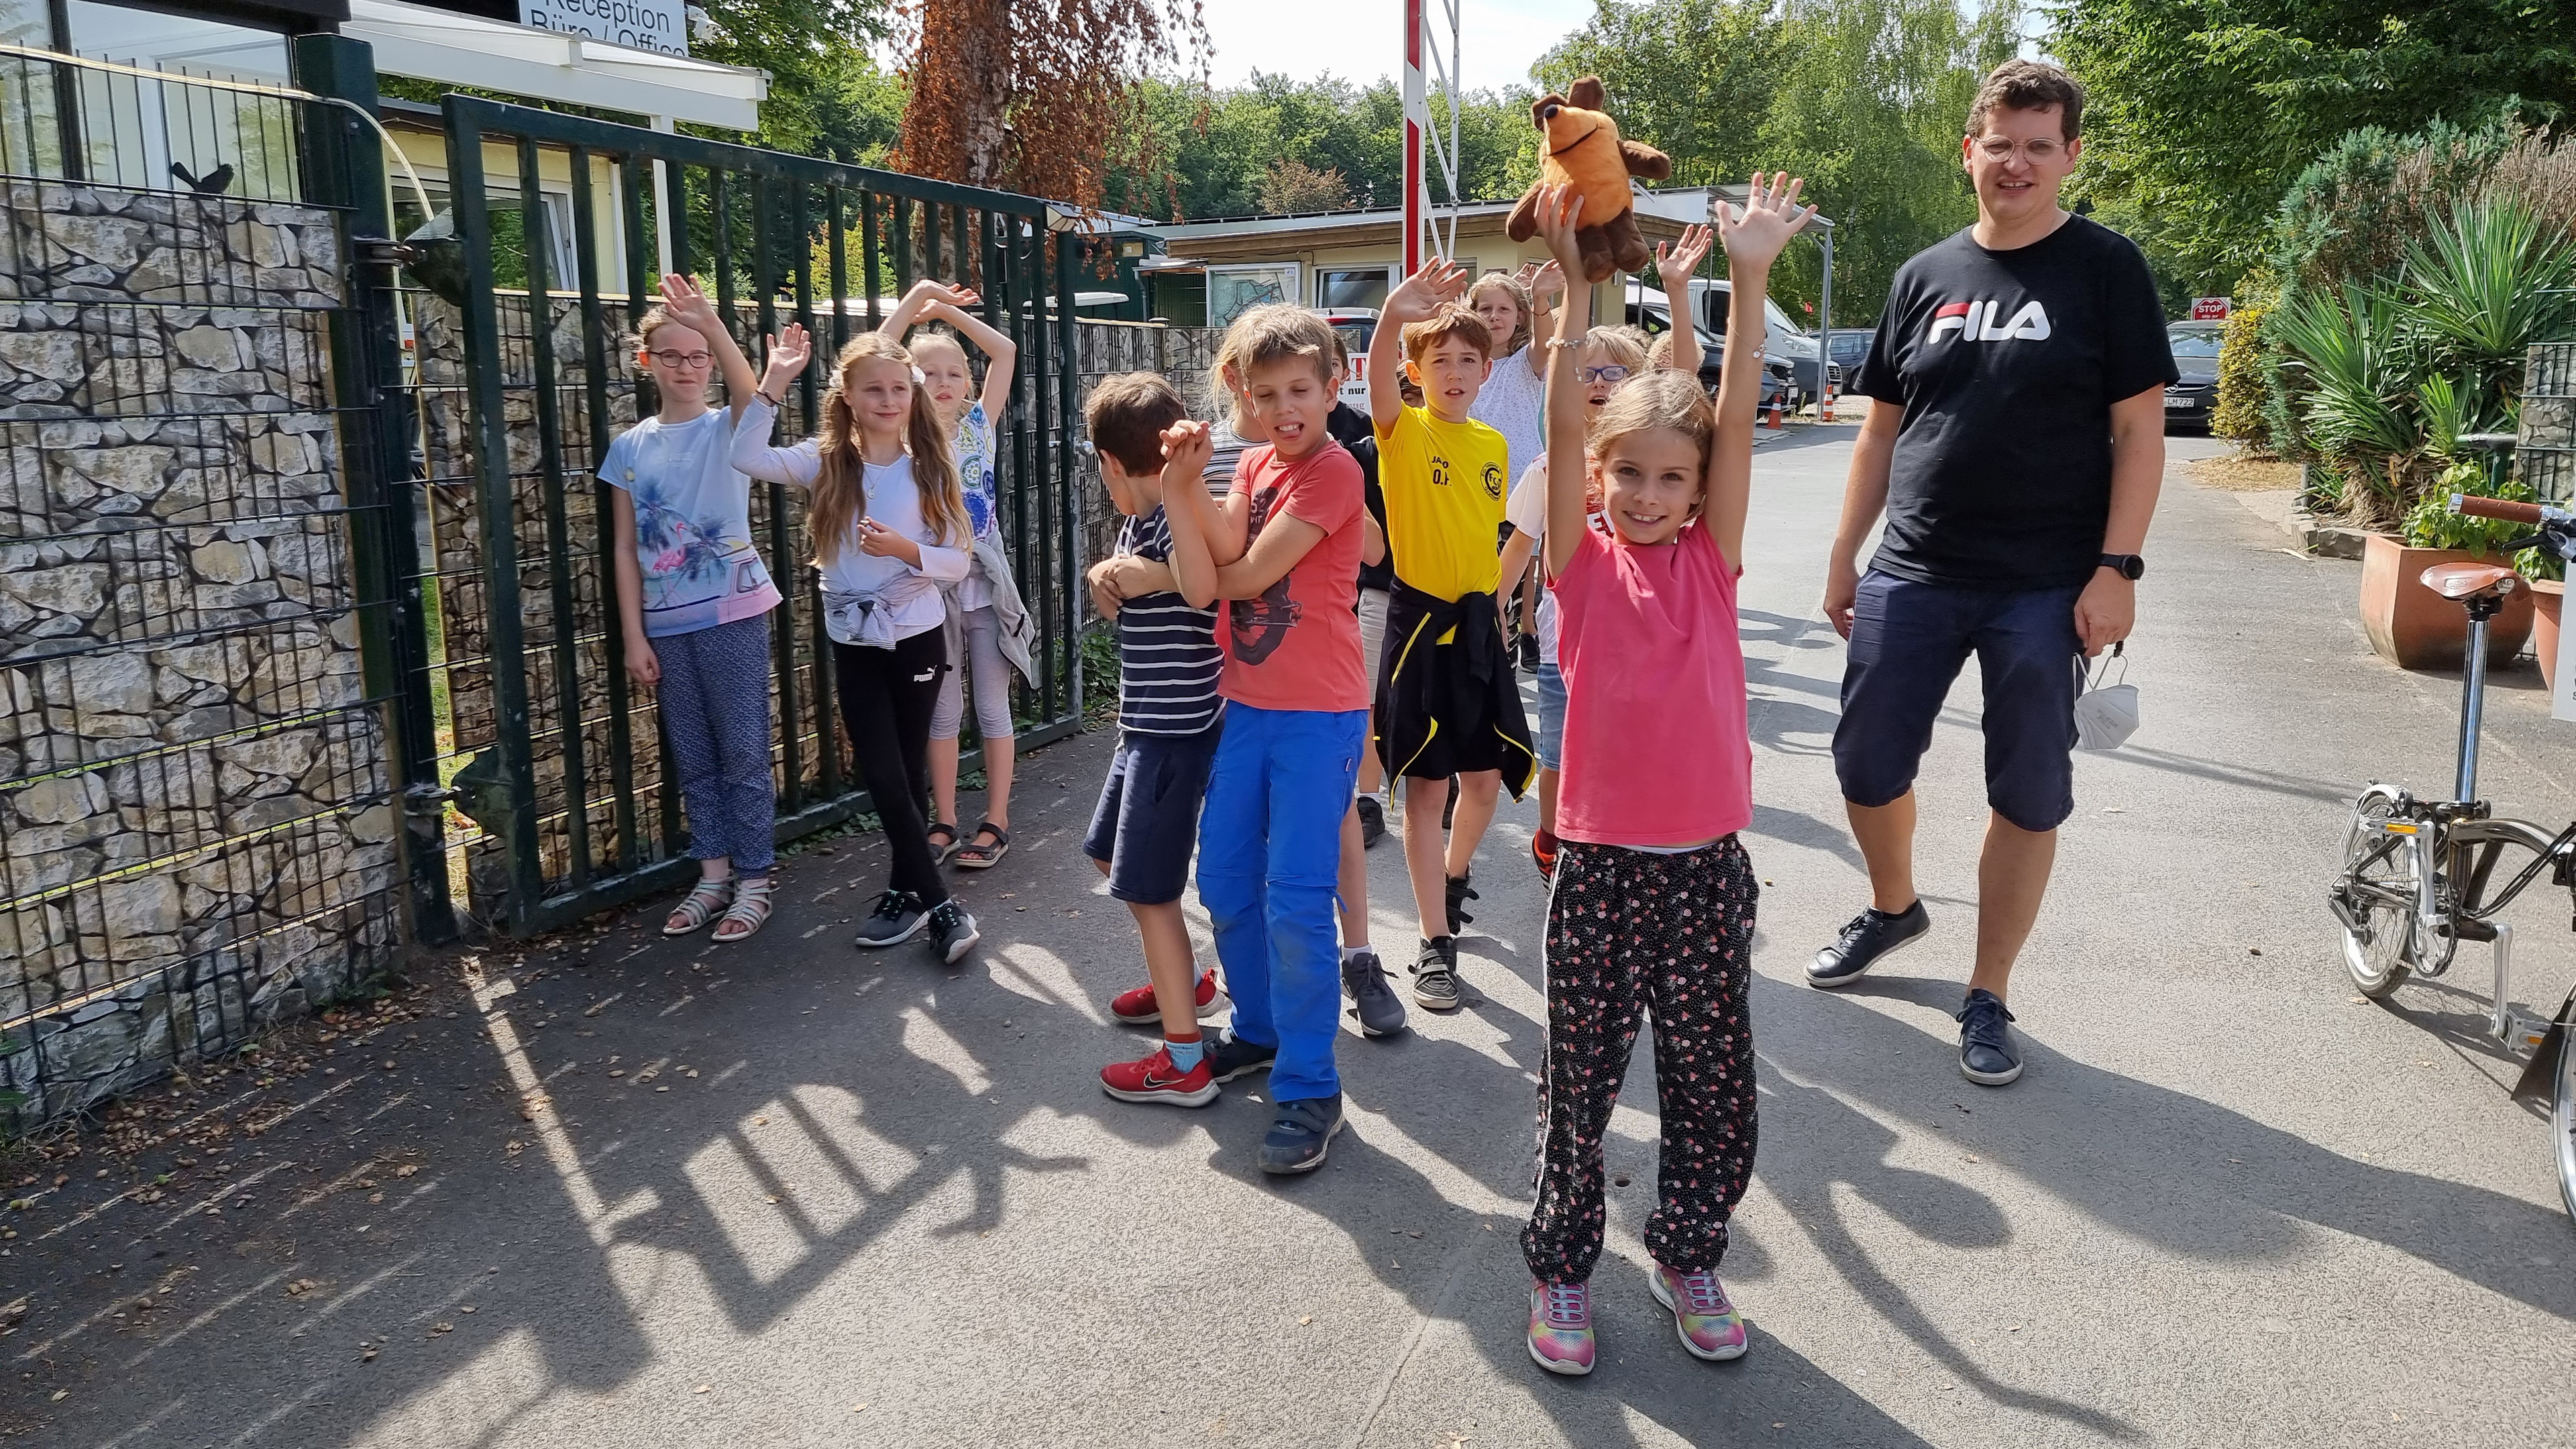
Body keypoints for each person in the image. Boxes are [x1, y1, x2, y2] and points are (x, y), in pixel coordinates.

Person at [1808, 59, 2175, 1089]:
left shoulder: (2106, 269)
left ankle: (1988, 991)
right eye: (1999, 142)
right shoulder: (1923, 277)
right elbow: (1881, 429)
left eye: (2038, 145)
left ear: (2069, 156)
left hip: (2045, 586)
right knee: (1865, 765)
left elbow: (2140, 433)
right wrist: (1845, 551)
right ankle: (1894, 908)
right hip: (1914, 568)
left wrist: (2118, 567)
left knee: (2028, 789)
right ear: (1970, 149)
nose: (2016, 162)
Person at [1517, 175, 1813, 1378]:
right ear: (1599, 478)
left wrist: (1748, 283)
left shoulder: (1712, 562)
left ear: (1698, 491)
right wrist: (1582, 285)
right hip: (1597, 871)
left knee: (1711, 1079)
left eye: (1669, 479)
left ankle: (1690, 1253)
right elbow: (1555, 427)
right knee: (1576, 1093)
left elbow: (1732, 418)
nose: (1647, 496)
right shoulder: (1582, 568)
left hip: (1705, 874)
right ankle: (1562, 1276)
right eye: (1626, 474)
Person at [1157, 303, 1371, 1175]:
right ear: (1242, 395)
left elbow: (1241, 574)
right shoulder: (1250, 465)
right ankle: (1259, 1030)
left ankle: (1312, 1087)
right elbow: (1202, 581)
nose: (1287, 408)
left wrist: (1204, 538)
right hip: (1247, 707)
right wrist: (1179, 489)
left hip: (1319, 717)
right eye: (1268, 392)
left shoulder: (1334, 473)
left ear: (1332, 386)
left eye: (1302, 390)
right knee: (1227, 881)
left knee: (1295, 898)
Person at [729, 322, 983, 965]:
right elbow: (747, 456)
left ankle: (903, 893)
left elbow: (956, 561)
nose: (889, 400)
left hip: (918, 637)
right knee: (883, 773)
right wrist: (776, 380)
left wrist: (904, 550)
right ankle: (942, 908)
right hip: (855, 641)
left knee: (908, 769)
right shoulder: (824, 461)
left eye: (900, 388)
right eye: (875, 390)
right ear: (848, 396)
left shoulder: (929, 466)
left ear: (914, 395)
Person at [1366, 266, 1536, 1012]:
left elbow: (1491, 538)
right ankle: (1436, 944)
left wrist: (1501, 609)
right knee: (1426, 790)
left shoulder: (1497, 446)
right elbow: (1375, 379)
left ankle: (1453, 875)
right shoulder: (1403, 433)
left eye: (1469, 361)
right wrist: (1388, 318)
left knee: (1482, 780)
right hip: (1418, 625)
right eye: (1441, 362)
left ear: (1487, 368)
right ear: (1417, 374)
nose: (1457, 372)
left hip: (1477, 626)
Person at [606, 274, 784, 943]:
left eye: (697, 355)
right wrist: (633, 636)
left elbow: (753, 392)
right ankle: (712, 876)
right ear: (645, 361)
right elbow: (625, 548)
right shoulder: (628, 448)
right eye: (671, 355)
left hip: (733, 614)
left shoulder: (727, 430)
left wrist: (713, 324)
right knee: (694, 755)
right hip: (666, 628)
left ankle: (756, 879)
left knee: (743, 752)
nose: (686, 367)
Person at [1081, 374, 1231, 1106]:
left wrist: (1147, 575)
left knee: (1149, 889)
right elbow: (1131, 589)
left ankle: (1184, 1061)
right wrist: (1109, 574)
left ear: (1109, 464)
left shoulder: (1174, 512)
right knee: (1114, 855)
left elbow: (1207, 581)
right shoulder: (1140, 519)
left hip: (1176, 729)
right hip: (1143, 722)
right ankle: (1189, 982)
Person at [875, 280, 1036, 871]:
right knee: (941, 712)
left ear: (968, 384)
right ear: (908, 382)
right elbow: (874, 352)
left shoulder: (979, 426)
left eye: (952, 374)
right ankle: (943, 820)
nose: (941, 384)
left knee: (992, 707)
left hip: (983, 585)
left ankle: (996, 820)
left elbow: (1007, 352)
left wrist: (944, 313)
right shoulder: (899, 436)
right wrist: (912, 306)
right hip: (924, 590)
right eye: (927, 374)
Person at [1495, 325, 1647, 883]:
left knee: (1629, 756)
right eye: (1588, 372)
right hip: (1565, 649)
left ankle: (1621, 845)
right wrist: (1491, 610)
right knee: (1557, 755)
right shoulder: (1550, 467)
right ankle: (1552, 842)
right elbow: (1519, 547)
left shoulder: (1658, 473)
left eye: (1616, 372)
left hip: (1641, 653)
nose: (1601, 383)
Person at [1468, 264, 1556, 671]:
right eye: (1484, 308)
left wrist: (1540, 300)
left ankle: (1520, 642)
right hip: (1471, 492)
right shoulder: (1466, 363)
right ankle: (1491, 656)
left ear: (1518, 315)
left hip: (1518, 492)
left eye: (1504, 308)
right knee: (1479, 585)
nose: (1494, 317)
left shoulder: (1525, 362)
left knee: (1516, 581)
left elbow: (1546, 343)